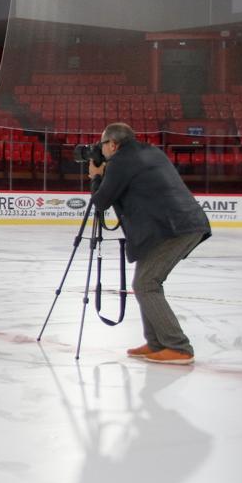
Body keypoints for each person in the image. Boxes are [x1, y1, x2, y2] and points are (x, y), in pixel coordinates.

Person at [89, 123, 211, 365]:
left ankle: (178, 347)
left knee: (146, 283)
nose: (99, 149)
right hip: (177, 225)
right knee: (145, 282)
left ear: (113, 144)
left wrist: (95, 178)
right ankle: (156, 343)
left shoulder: (122, 161)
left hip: (173, 230)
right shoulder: (151, 151)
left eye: (102, 144)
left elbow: (101, 201)